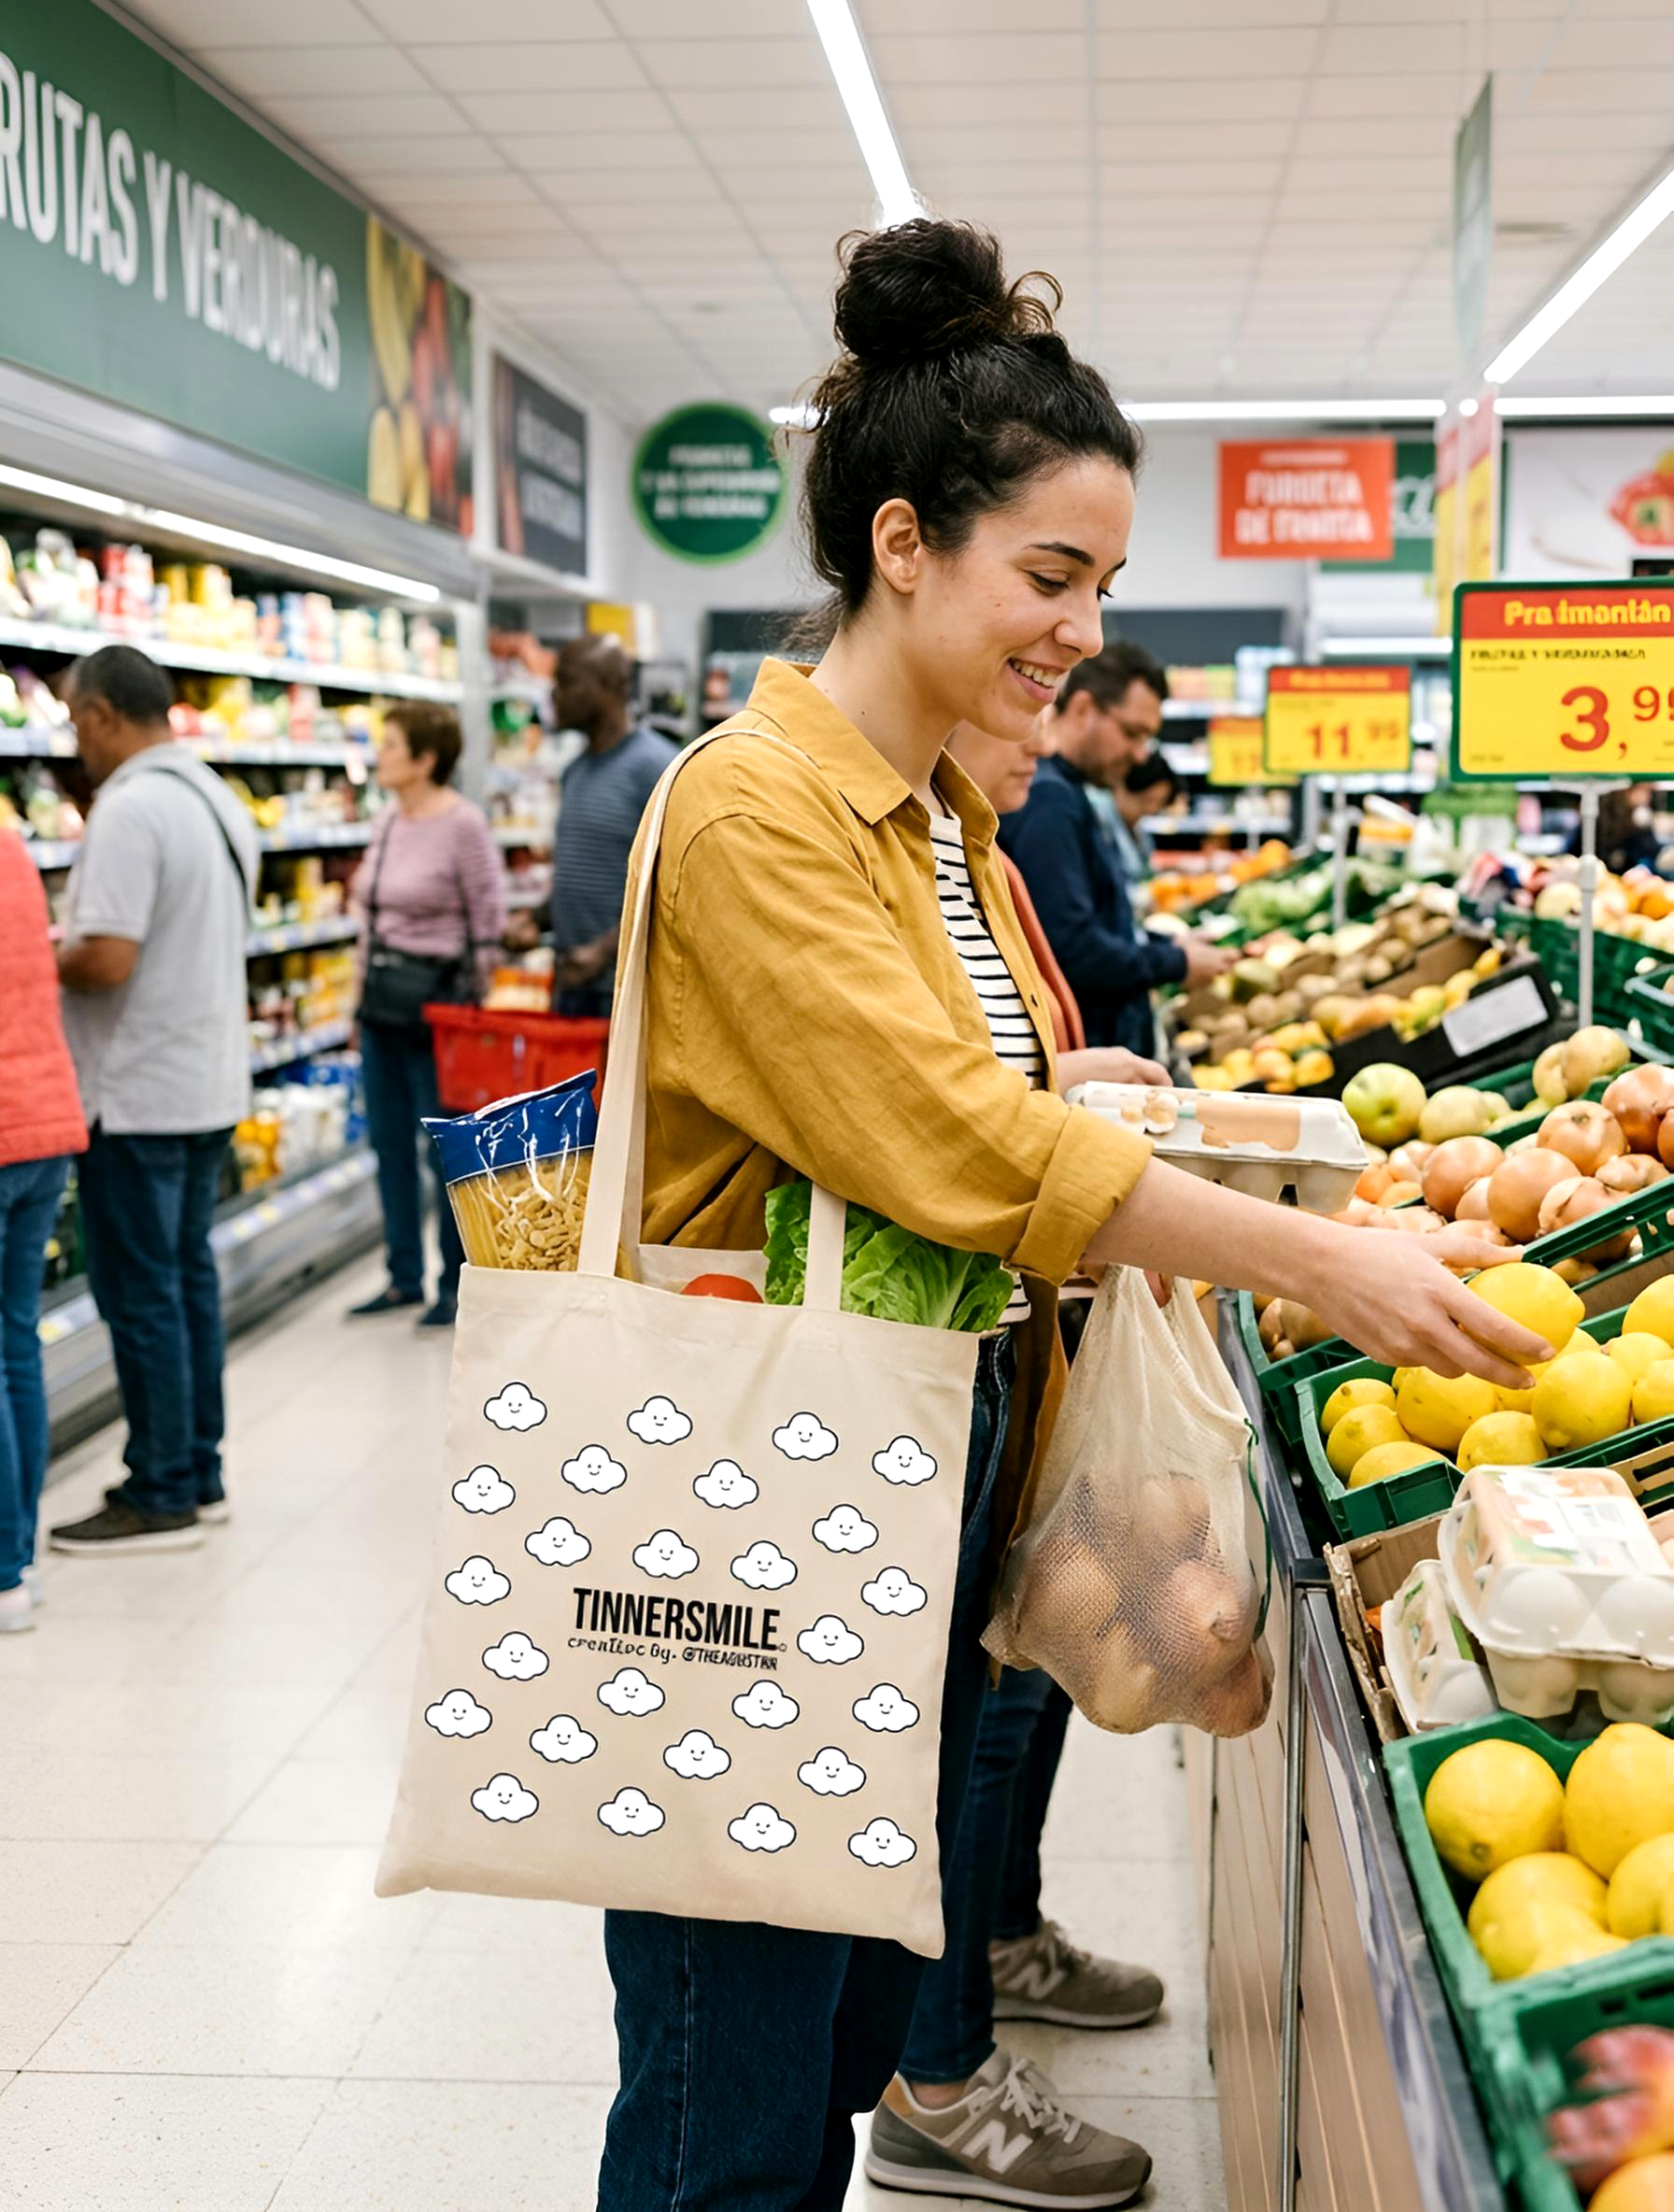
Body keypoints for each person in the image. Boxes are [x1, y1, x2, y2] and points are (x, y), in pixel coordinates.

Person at [594, 217, 1540, 2212]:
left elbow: (938, 1112)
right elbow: (959, 1151)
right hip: (743, 1504)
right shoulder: (761, 810)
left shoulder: (932, 807)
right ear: (901, 542)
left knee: (826, 2041)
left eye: (1099, 583)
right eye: (1047, 575)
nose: (1075, 627)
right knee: (723, 2098)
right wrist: (1328, 1259)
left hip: (890, 1474)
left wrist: (1070, 1089)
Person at [864, 710, 1167, 2181]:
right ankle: (938, 2066)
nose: (1043, 720)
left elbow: (1004, 1092)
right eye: (1022, 657)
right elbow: (942, 1130)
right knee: (966, 1719)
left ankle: (988, 1954)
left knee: (1007, 1684)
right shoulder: (802, 828)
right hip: (883, 1392)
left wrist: (1075, 1079)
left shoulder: (975, 850)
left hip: (1001, 1347)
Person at [47, 645, 258, 1556]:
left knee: (142, 1297)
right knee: (185, 1285)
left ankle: (161, 1486)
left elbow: (107, 958)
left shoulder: (131, 808)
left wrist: (36, 947)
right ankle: (196, 1470)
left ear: (98, 713)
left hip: (138, 1093)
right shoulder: (216, 797)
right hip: (206, 1080)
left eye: (74, 722)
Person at [348, 705, 504, 1331]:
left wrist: (478, 1005)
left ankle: (455, 1280)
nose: (379, 754)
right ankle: (401, 1276)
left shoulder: (463, 826)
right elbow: (370, 918)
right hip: (382, 1003)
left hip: (440, 1012)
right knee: (387, 1144)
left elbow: (486, 918)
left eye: (389, 745)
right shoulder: (386, 821)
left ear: (424, 759)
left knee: (444, 1150)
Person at [1000, 643, 1232, 1054]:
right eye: (1132, 733)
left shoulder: (1069, 794)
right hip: (1087, 1056)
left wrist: (1168, 948)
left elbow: (1093, 926)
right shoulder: (1049, 802)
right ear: (1084, 709)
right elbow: (1072, 949)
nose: (1140, 754)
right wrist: (1174, 964)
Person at [0, 830, 88, 1626]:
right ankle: (16, 1559)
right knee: (14, 1342)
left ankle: (1, 1577)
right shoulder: (12, 846)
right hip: (45, 1119)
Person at [548, 636, 675, 1015]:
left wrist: (604, 951)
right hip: (573, 983)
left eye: (566, 681)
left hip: (624, 991)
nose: (554, 695)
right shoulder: (575, 770)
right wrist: (537, 917)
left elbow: (674, 884)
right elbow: (592, 869)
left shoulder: (656, 767)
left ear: (604, 685)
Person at [1101, 750, 1181, 900]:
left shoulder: (1136, 829)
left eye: (1158, 805)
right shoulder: (1100, 821)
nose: (1151, 810)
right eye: (1148, 801)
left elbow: (1145, 872)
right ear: (1122, 787)